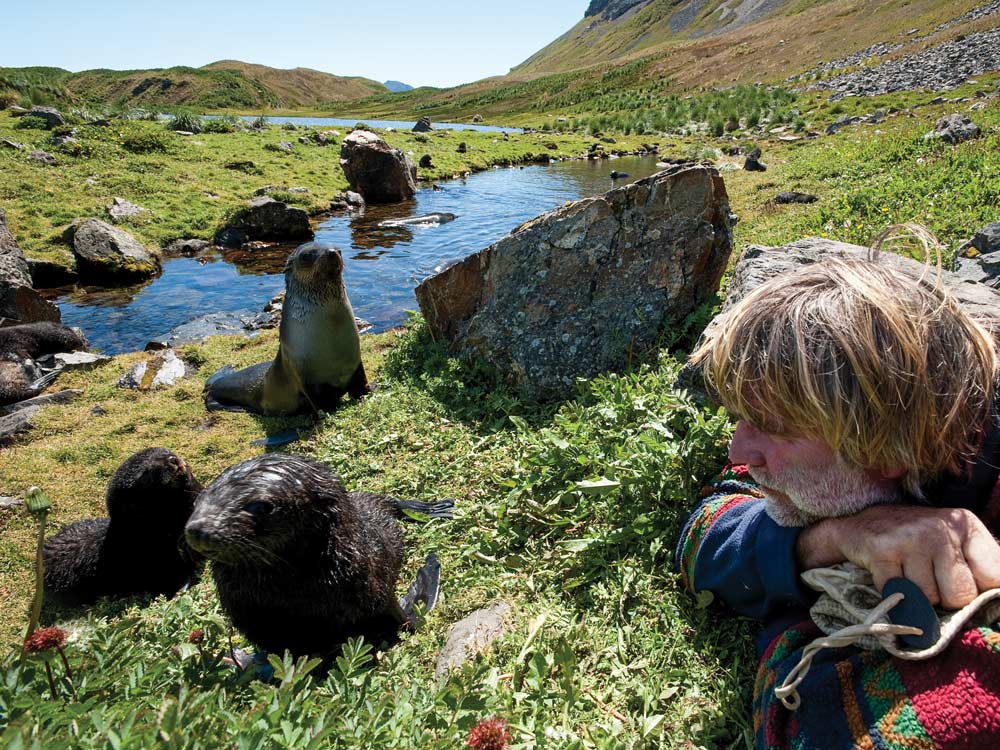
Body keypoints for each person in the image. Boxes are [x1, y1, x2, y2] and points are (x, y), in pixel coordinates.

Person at [675, 250, 1000, 749]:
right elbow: (707, 536)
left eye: (773, 428)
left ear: (888, 450)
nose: (739, 449)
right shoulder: (818, 415)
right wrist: (842, 537)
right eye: (740, 416)